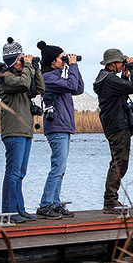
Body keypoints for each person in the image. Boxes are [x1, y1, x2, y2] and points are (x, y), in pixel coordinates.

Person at [0, 37, 44, 223]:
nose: (24, 63)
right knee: (13, 173)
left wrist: (35, 69)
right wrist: (29, 67)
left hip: (25, 130)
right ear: (13, 61)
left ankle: (19, 209)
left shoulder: (23, 74)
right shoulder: (6, 77)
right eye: (21, 59)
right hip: (13, 131)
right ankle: (9, 211)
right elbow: (22, 83)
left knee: (20, 173)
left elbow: (39, 88)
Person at [35, 41, 84, 219]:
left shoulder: (57, 78)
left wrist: (74, 67)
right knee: (57, 167)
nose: (64, 60)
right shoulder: (48, 78)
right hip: (57, 127)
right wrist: (72, 66)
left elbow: (78, 88)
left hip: (63, 126)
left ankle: (54, 203)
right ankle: (45, 204)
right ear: (52, 61)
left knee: (60, 168)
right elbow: (72, 86)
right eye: (61, 58)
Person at [93, 48, 133, 212]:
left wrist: (125, 75)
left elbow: (123, 89)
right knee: (119, 163)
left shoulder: (106, 78)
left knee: (120, 162)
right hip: (117, 126)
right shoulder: (110, 80)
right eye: (121, 62)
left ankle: (111, 200)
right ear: (112, 63)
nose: (123, 65)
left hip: (113, 124)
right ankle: (110, 201)